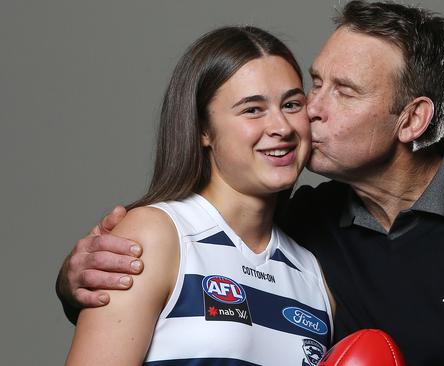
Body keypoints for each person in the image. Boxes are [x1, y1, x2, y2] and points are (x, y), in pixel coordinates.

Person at [57, 1, 444, 365]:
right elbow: (179, 273)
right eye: (313, 84)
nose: (306, 114)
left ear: (412, 120)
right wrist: (77, 277)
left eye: (341, 92)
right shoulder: (304, 227)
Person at [64, 26, 334, 366]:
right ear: (203, 129)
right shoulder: (155, 235)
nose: (281, 127)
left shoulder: (312, 275)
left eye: (292, 104)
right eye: (253, 109)